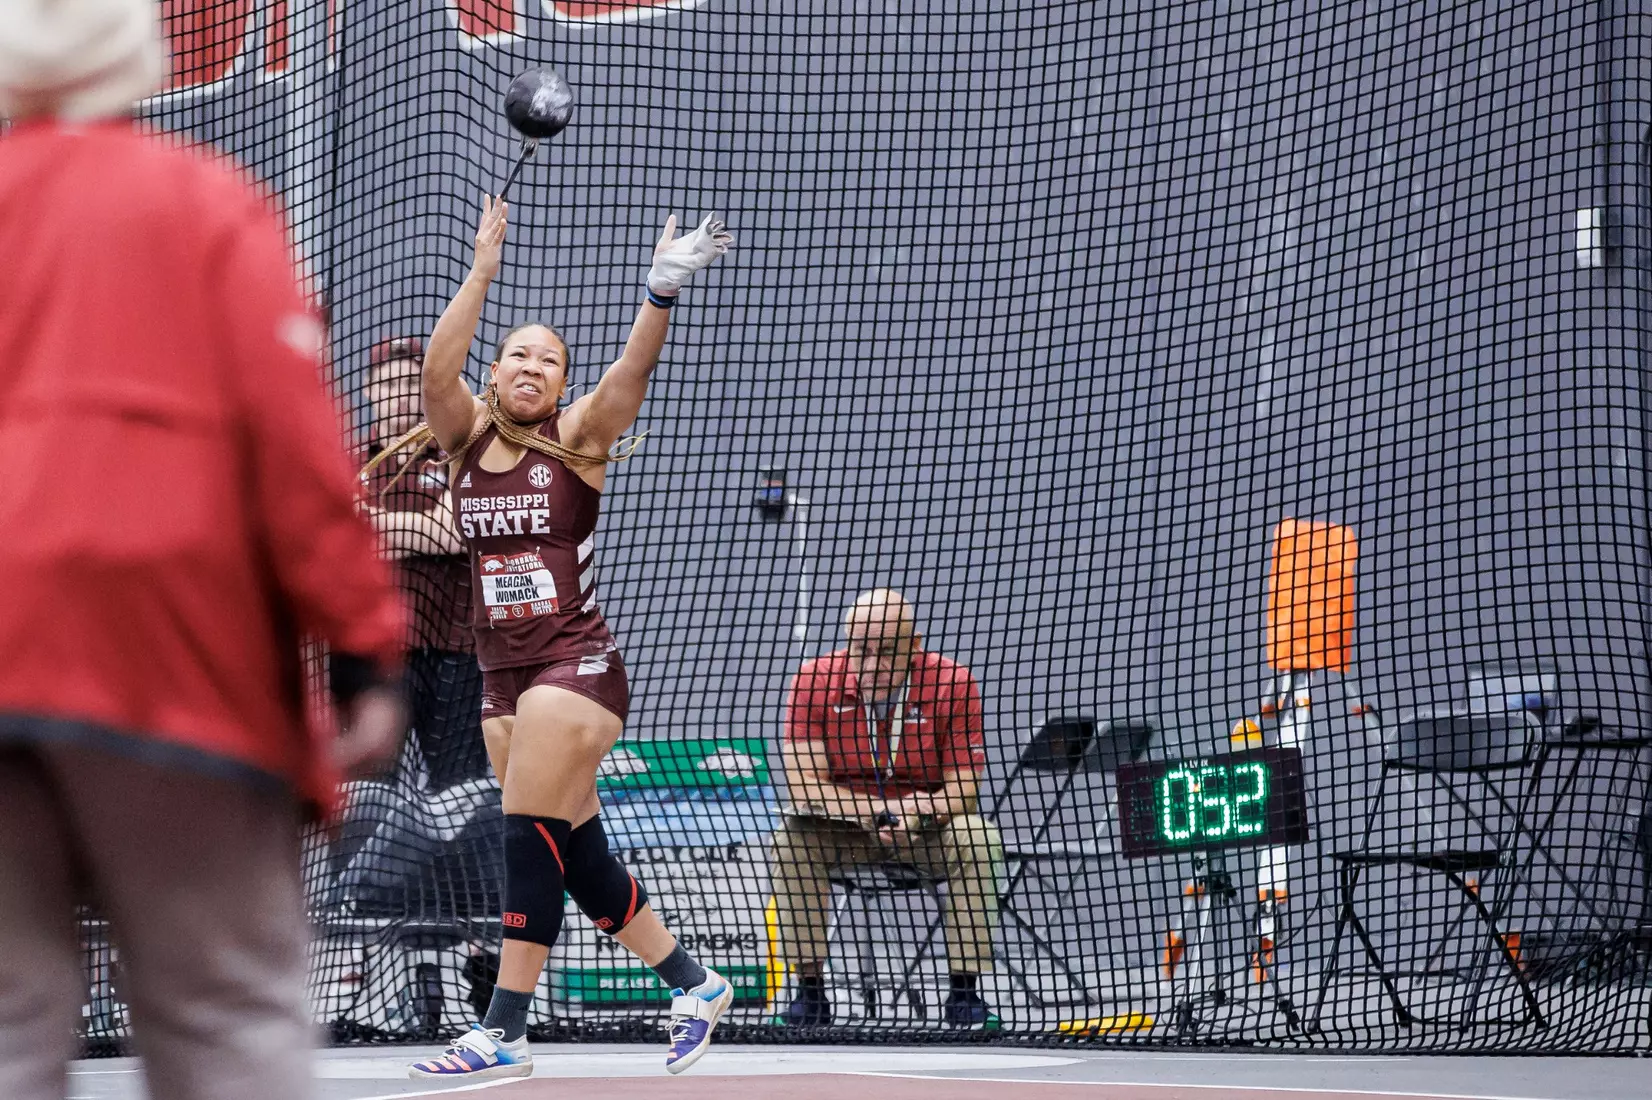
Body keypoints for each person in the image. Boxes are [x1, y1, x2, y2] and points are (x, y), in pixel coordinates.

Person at [0, 3, 408, 1099]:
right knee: (224, 1010)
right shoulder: (205, 207)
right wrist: (369, 651)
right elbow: (297, 458)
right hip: (167, 665)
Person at [405, 197, 734, 1080]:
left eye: (549, 361)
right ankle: (694, 982)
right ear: (498, 369)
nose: (532, 366)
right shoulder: (463, 440)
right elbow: (440, 373)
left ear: (557, 383)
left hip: (576, 665)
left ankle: (505, 1027)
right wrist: (480, 272)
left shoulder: (577, 439)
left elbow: (628, 376)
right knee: (572, 847)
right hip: (500, 676)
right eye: (518, 354)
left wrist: (659, 293)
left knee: (523, 829)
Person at [773, 589, 1003, 1028]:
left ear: (914, 646)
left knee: (979, 837)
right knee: (790, 837)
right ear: (847, 641)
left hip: (924, 830)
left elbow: (965, 789)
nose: (874, 665)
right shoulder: (813, 680)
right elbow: (803, 788)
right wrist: (873, 813)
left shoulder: (954, 683)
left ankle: (964, 993)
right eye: (862, 650)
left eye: (888, 652)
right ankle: (809, 994)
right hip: (845, 831)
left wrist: (917, 814)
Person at [357, 336, 490, 792]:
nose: (400, 394)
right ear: (369, 390)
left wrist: (380, 527)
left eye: (412, 382)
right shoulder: (349, 463)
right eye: (388, 382)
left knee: (460, 790)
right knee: (372, 789)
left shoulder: (460, 451)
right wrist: (426, 527)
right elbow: (347, 544)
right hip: (380, 654)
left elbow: (459, 533)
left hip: (458, 650)